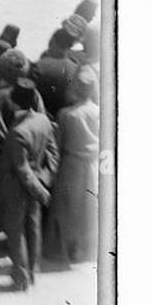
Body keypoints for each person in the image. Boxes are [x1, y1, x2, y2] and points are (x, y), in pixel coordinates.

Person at [0, 77, 58, 291]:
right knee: (33, 227)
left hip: (18, 186)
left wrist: (40, 191)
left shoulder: (18, 132)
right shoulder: (43, 120)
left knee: (16, 232)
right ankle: (32, 272)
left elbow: (22, 169)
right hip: (36, 182)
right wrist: (45, 179)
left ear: (15, 102)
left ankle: (20, 279)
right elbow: (53, 153)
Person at [48, 65, 99, 264]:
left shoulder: (67, 114)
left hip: (72, 164)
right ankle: (86, 249)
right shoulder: (98, 111)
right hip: (93, 164)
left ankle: (70, 249)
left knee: (69, 208)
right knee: (89, 208)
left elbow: (59, 144)